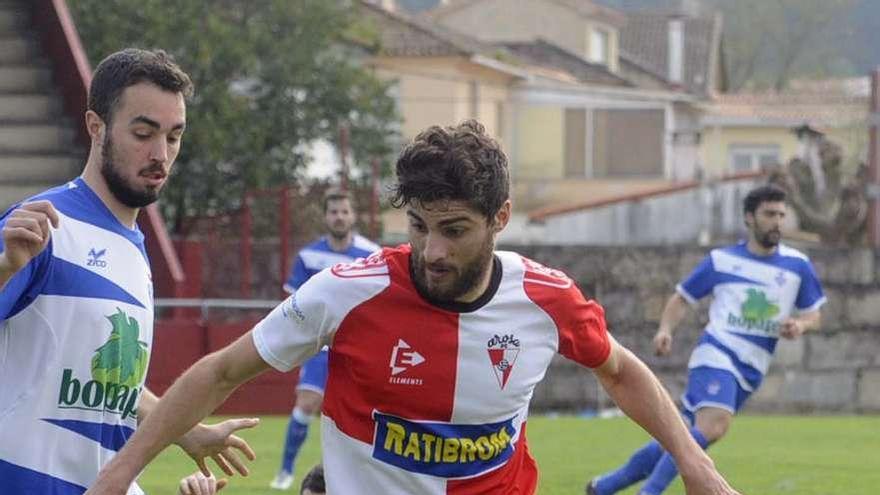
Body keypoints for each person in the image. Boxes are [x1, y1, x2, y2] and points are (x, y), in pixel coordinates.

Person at [85, 120, 740, 495]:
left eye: (453, 228)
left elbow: (621, 371)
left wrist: (695, 461)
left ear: (500, 218)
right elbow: (221, 371)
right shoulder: (349, 289)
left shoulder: (546, 299)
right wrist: (118, 474)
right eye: (418, 224)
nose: (430, 249)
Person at [0, 48, 256, 494]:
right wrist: (5, 267)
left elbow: (106, 375)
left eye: (174, 137)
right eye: (143, 133)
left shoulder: (135, 247)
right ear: (96, 128)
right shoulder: (41, 225)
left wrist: (185, 430)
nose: (160, 154)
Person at [587, 184, 825, 495]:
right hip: (717, 353)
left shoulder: (798, 266)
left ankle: (604, 487)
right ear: (750, 217)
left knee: (680, 435)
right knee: (713, 426)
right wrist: (665, 330)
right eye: (769, 214)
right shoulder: (722, 260)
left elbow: (814, 313)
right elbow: (682, 298)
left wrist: (801, 326)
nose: (777, 221)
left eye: (781, 214)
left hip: (752, 368)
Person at [270, 189, 380, 489]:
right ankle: (285, 472)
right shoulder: (308, 256)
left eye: (345, 211)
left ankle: (364, 476)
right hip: (321, 346)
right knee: (307, 404)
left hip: (359, 348)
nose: (339, 217)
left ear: (353, 215)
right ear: (325, 216)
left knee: (364, 412)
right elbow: (294, 304)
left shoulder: (371, 254)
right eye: (334, 212)